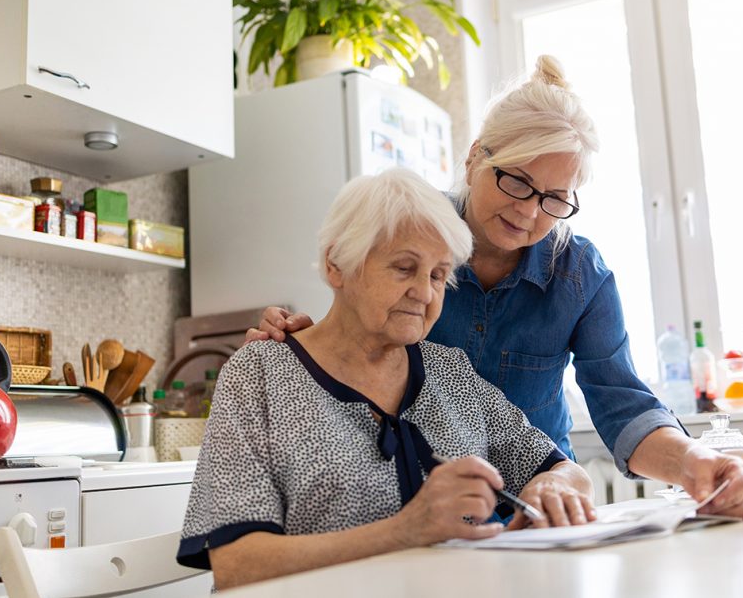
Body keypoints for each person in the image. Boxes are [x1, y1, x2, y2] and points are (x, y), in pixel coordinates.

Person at [249, 55, 743, 518]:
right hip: (419, 518)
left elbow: (624, 406)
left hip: (537, 510)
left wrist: (694, 464)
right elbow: (353, 344)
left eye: (555, 198)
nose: (529, 211)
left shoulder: (579, 274)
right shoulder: (413, 236)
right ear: (474, 160)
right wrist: (301, 347)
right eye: (516, 181)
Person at [178, 169, 596, 590]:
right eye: (404, 267)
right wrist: (407, 529)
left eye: (437, 274)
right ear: (336, 263)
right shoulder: (259, 373)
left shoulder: (450, 371)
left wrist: (554, 489)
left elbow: (564, 468)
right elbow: (235, 564)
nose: (426, 293)